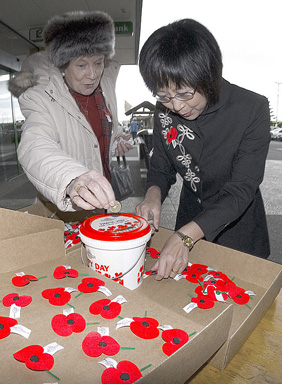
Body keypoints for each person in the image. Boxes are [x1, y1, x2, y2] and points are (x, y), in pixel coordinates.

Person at [136, 19, 271, 280]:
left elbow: (242, 187)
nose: (175, 105)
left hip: (239, 229)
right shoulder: (163, 110)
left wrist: (186, 236)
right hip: (188, 220)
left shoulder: (251, 108)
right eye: (163, 95)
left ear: (208, 75)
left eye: (185, 93)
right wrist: (152, 195)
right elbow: (161, 167)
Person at [9, 10, 133, 212]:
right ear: (63, 65)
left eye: (98, 63)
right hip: (67, 202)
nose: (92, 74)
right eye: (82, 65)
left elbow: (96, 134)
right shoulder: (41, 95)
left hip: (102, 195)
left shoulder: (106, 84)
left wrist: (115, 139)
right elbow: (35, 145)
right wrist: (71, 177)